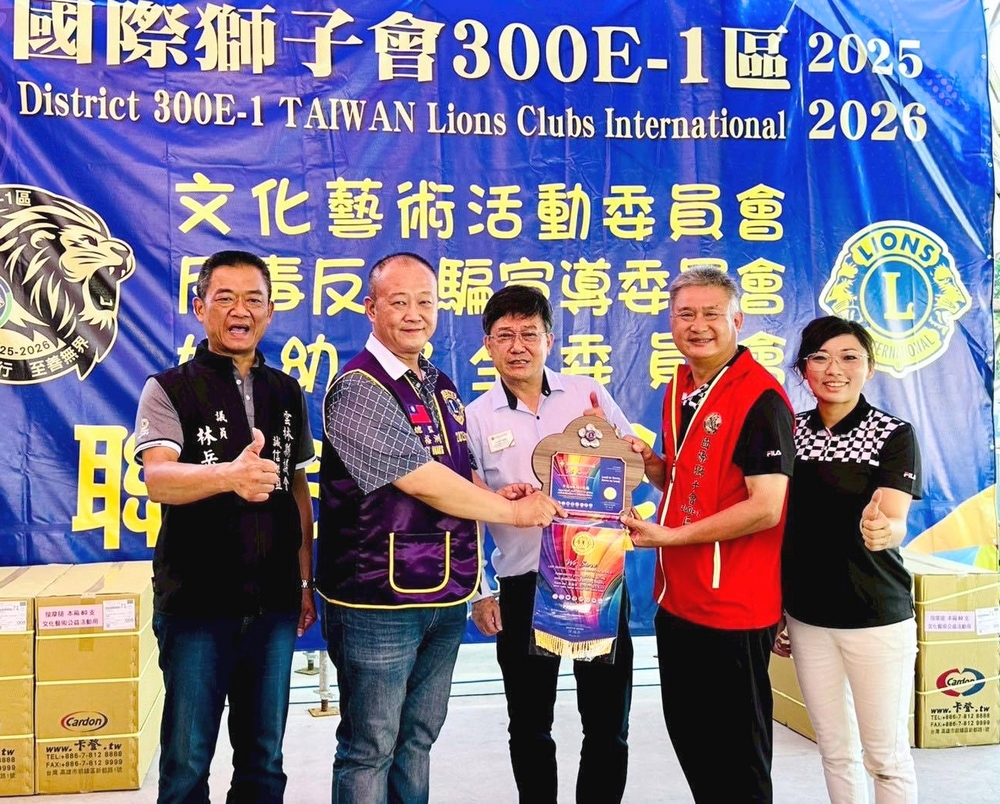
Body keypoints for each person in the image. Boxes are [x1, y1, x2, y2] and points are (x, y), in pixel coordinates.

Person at [316, 252, 565, 804]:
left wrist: (494, 495)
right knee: (369, 746)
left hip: (443, 591)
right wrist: (514, 513)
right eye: (399, 302)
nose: (414, 314)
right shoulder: (358, 387)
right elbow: (420, 479)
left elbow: (455, 469)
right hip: (377, 600)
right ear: (371, 308)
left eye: (424, 302)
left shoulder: (439, 383)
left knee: (418, 739)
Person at [135, 250, 316, 804]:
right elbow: (158, 479)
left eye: (254, 300)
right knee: (187, 761)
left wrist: (304, 582)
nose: (241, 311)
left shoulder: (286, 391)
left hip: (274, 603)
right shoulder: (169, 388)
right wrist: (227, 475)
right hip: (196, 604)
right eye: (225, 298)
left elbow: (297, 488)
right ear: (200, 308)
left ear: (270, 311)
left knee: (264, 760)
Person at [621, 266, 794, 803]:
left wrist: (670, 538)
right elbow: (687, 480)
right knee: (693, 740)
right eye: (685, 314)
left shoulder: (761, 398)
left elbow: (765, 508)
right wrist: (651, 464)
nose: (698, 325)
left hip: (733, 606)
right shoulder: (682, 386)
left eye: (711, 314)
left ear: (737, 320)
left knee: (738, 759)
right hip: (679, 598)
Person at [465, 285, 634, 804]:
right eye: (504, 335)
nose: (518, 346)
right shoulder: (475, 417)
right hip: (522, 585)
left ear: (550, 339)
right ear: (488, 345)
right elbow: (468, 508)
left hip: (597, 580)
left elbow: (633, 467)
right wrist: (480, 592)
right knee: (529, 724)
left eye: (529, 334)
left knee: (607, 723)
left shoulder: (588, 395)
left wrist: (617, 457)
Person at [773, 316, 921, 803]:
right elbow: (775, 524)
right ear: (803, 369)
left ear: (870, 368)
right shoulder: (789, 431)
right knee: (835, 752)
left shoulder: (892, 434)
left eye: (849, 357)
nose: (834, 369)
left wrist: (884, 530)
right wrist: (780, 610)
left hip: (876, 616)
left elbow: (894, 518)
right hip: (808, 619)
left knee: (886, 757)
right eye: (819, 358)